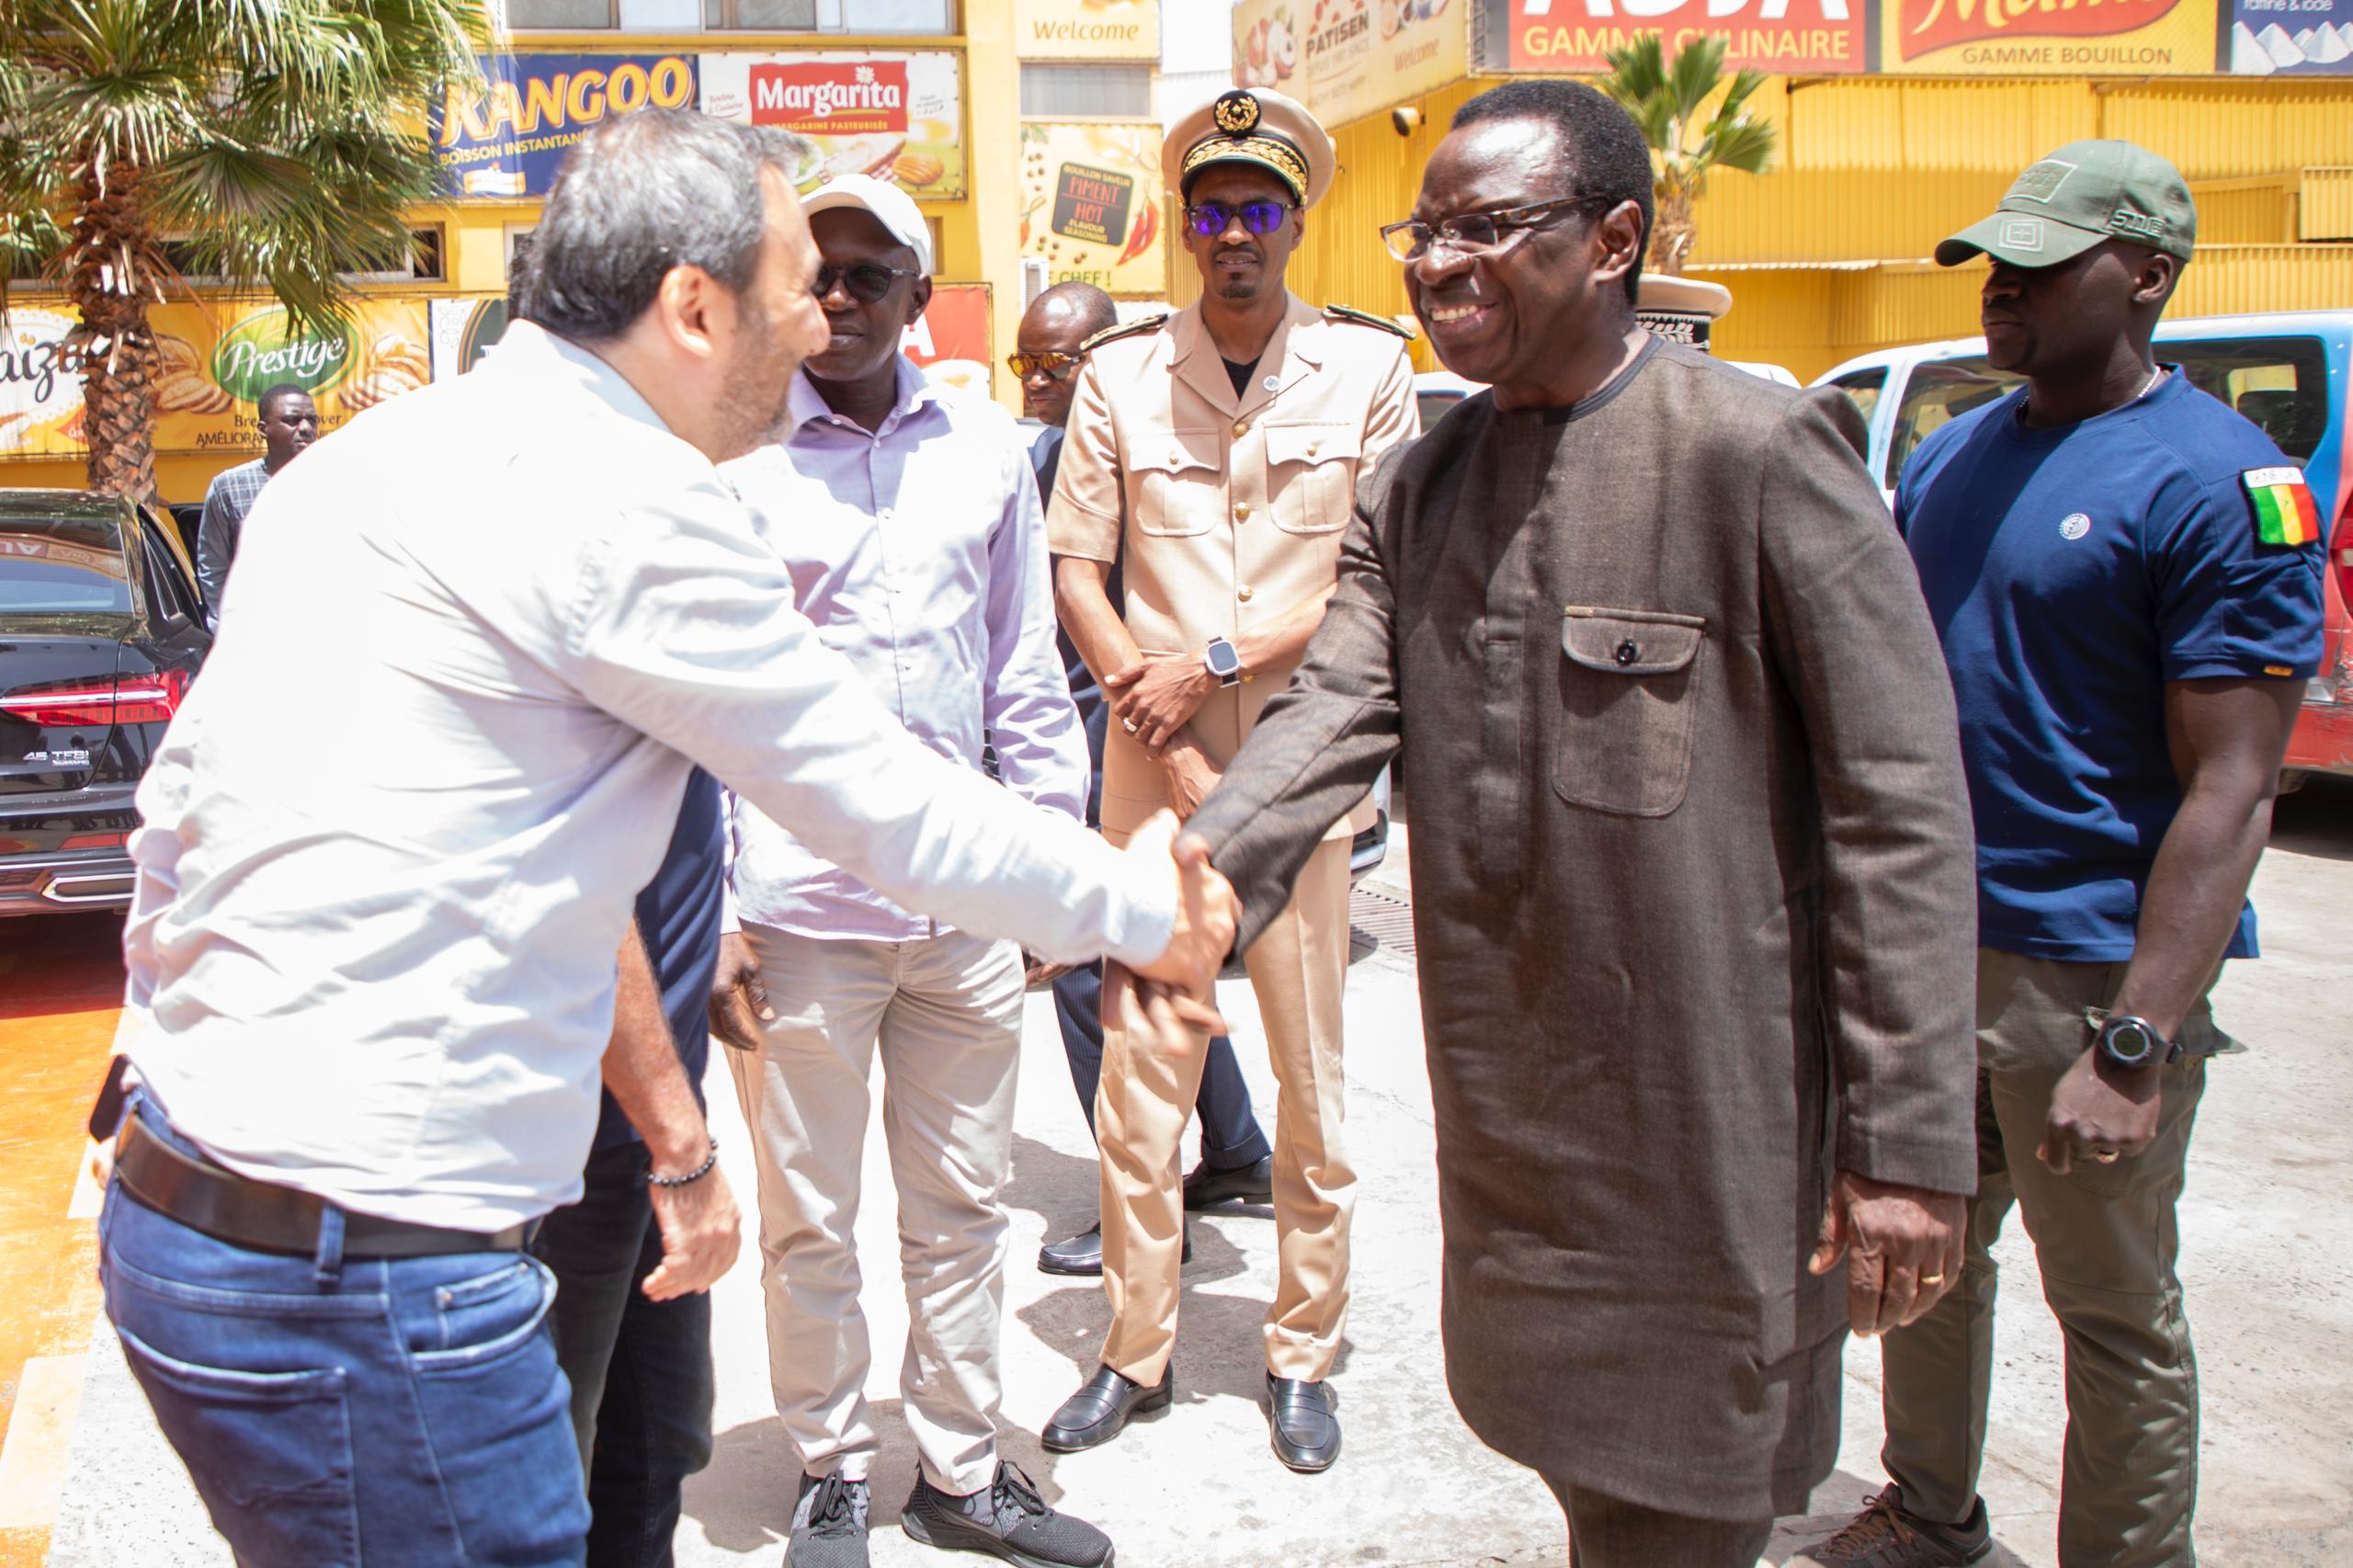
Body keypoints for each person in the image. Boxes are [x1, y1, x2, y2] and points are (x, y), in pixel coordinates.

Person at [97, 109, 1233, 1568]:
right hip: (367, 1274)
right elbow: (872, 794)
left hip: (192, 1213)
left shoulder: (376, 462)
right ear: (692, 305)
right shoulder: (621, 499)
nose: (811, 314)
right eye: (784, 282)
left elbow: (174, 820)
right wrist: (1147, 911)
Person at [1126, 79, 1982, 1563]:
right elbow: (1330, 714)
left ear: (1614, 240)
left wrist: (1909, 1148)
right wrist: (1190, 889)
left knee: (1683, 1514)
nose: (1441, 262)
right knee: (1593, 1499)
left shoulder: (1759, 454)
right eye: (1427, 230)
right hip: (1525, 1150)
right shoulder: (1424, 489)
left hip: (1710, 1148)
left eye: (1490, 228)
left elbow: (1900, 810)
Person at [1801, 143, 2326, 1568]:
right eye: (1997, 262)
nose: (2005, 287)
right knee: (1917, 1263)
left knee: (2111, 1308)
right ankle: (1931, 1512)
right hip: (1929, 948)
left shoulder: (2224, 482)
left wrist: (2138, 1039)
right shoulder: (1960, 449)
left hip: (2085, 970)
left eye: (2044, 262)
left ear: (2147, 275)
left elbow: (2235, 788)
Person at [713, 176, 1112, 1568]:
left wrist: (1050, 864)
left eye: (866, 276)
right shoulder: (738, 458)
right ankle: (832, 1465)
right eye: (812, 276)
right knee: (809, 1222)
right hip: (797, 913)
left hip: (959, 915)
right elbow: (697, 702)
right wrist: (711, 905)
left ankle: (960, 1467)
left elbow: (1022, 675)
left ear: (918, 295)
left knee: (962, 1211)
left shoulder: (989, 453)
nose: (834, 300)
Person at [1040, 87, 1418, 1473]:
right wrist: (1155, 701)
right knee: (1141, 1081)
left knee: (1314, 1085)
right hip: (1154, 777)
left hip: (1304, 771)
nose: (1235, 234)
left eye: (1260, 208)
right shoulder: (1122, 374)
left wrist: (1204, 655)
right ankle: (1134, 1345)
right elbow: (1078, 565)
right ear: (1187, 227)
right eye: (1213, 211)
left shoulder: (1371, 369)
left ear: (1296, 222)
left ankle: (1300, 1351)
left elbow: (1377, 574)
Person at [1015, 281, 1276, 1279]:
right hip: (1072, 746)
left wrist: (1170, 755)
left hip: (1141, 746)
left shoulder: (1152, 465)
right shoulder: (1039, 457)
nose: (1043, 381)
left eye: (1062, 361)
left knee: (1089, 976)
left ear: (1110, 357)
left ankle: (1145, 1201)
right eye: (1027, 363)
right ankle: (1238, 1145)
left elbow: (1161, 635)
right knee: (1156, 965)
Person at [532, 770, 725, 1568]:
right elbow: (570, 891)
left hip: (649, 1128)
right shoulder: (564, 656)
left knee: (660, 1437)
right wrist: (683, 1150)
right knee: (547, 1471)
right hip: (561, 1144)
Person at [194, 382, 315, 625]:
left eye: (312, 420)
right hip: (254, 628)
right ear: (263, 428)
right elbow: (213, 567)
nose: (305, 428)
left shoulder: (336, 483)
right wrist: (227, 626)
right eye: (292, 420)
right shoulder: (229, 486)